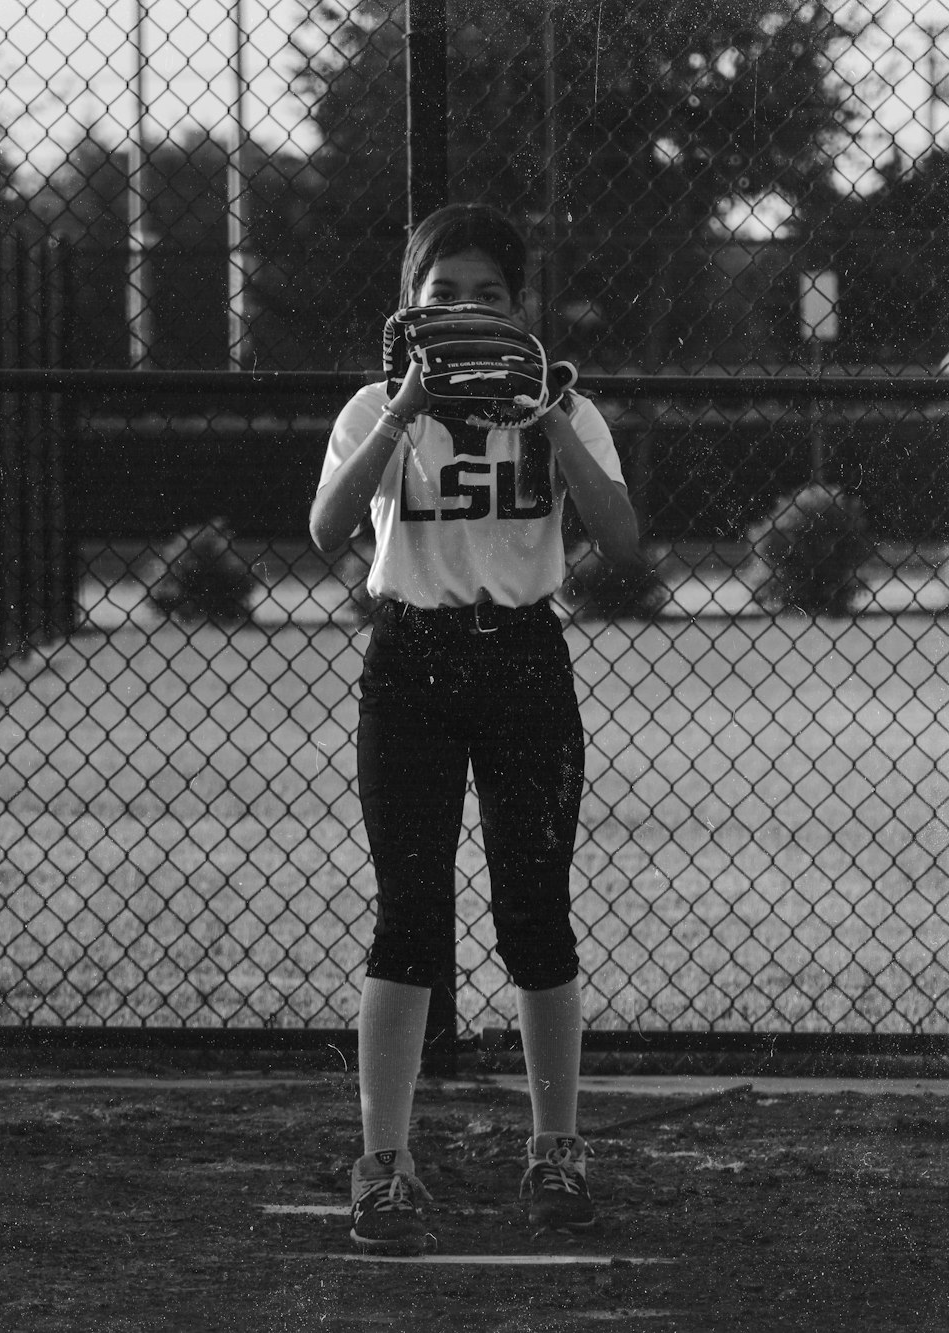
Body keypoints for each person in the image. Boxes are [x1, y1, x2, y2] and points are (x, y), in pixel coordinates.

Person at [309, 203, 640, 1255]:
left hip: (522, 659)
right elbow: (327, 529)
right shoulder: (374, 405)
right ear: (407, 304)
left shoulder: (561, 407)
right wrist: (403, 413)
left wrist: (547, 420)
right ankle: (386, 1163)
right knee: (409, 913)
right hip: (410, 660)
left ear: (521, 309)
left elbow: (622, 542)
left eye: (487, 294)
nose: (462, 309)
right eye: (440, 292)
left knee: (534, 910)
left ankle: (555, 1146)